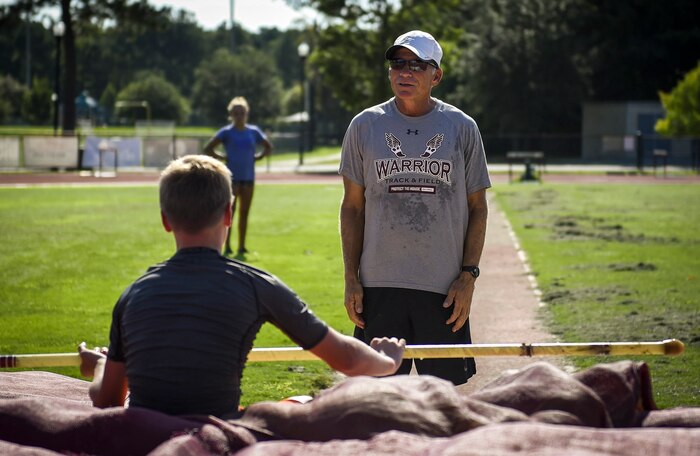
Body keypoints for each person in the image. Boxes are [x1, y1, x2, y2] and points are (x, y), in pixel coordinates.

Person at [78, 154, 405, 418]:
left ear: (165, 220)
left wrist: (103, 366)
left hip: (144, 433)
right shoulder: (254, 285)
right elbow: (346, 358)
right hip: (218, 433)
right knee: (309, 405)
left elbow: (107, 400)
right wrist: (387, 361)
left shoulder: (134, 294)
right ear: (229, 214)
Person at [339, 30, 491, 385]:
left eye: (417, 65)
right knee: (378, 398)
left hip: (442, 290)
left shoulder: (461, 127)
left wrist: (468, 277)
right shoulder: (365, 125)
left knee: (442, 399)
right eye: (398, 63)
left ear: (436, 75)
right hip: (378, 286)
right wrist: (351, 278)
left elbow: (478, 208)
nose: (405, 72)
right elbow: (352, 208)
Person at [203, 96, 272, 257]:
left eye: (242, 112)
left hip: (248, 178)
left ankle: (242, 246)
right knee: (229, 213)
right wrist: (223, 158)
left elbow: (268, 146)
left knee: (245, 212)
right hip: (232, 179)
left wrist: (259, 157)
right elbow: (209, 148)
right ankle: (226, 245)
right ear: (231, 115)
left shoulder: (253, 132)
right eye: (236, 113)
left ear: (247, 114)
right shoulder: (226, 132)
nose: (239, 116)